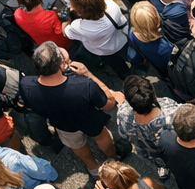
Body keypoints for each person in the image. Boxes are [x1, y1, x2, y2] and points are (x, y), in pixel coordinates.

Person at [19, 44, 126, 178]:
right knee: (101, 136)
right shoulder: (84, 85)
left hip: (62, 123)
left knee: (77, 145)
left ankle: (93, 168)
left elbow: (30, 107)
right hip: (89, 119)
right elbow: (109, 103)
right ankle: (112, 159)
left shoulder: (25, 84)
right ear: (61, 66)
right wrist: (88, 74)